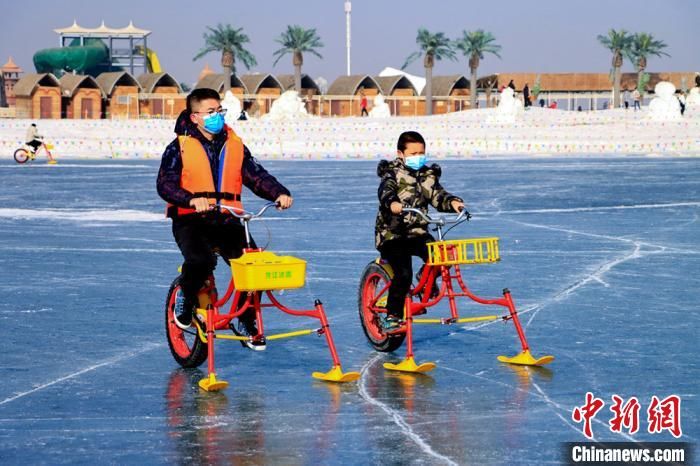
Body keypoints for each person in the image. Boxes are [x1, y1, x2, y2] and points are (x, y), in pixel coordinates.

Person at [157, 88, 293, 350]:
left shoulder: (235, 144)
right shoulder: (178, 148)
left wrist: (278, 192)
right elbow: (165, 184)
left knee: (253, 267)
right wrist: (189, 199)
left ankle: (244, 319)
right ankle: (185, 295)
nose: (217, 116)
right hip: (191, 219)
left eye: (219, 111)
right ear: (194, 116)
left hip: (228, 219)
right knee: (201, 261)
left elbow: (256, 175)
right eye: (210, 112)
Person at [374, 131, 464, 329]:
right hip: (392, 235)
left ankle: (425, 280)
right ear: (400, 153)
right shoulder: (392, 173)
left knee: (443, 258)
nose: (418, 157)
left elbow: (436, 195)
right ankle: (392, 316)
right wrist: (392, 203)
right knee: (403, 273)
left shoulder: (426, 174)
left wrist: (452, 202)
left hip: (417, 232)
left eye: (421, 153)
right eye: (413, 153)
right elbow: (385, 191)